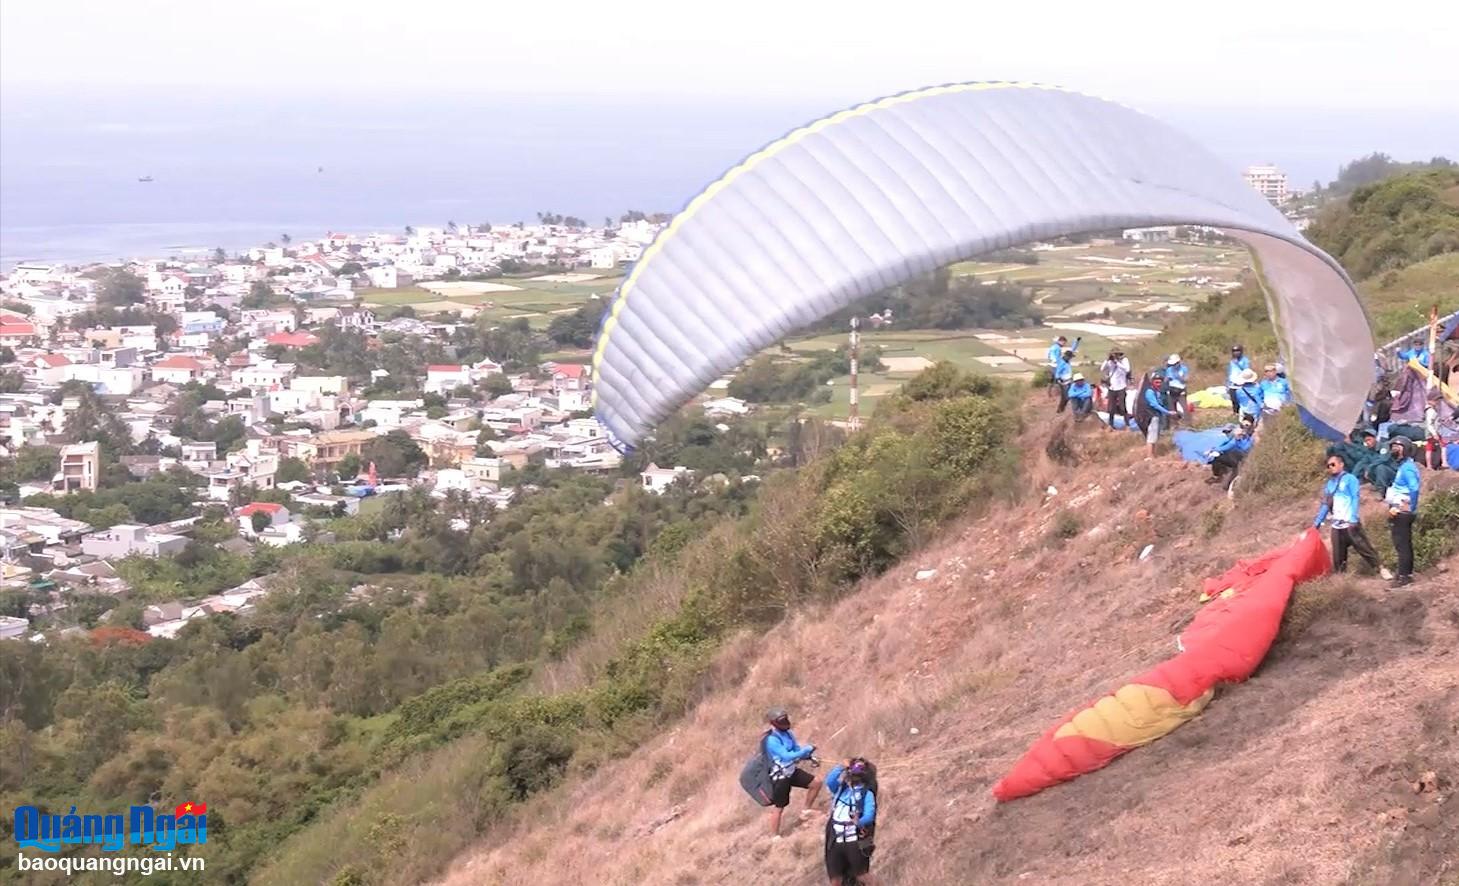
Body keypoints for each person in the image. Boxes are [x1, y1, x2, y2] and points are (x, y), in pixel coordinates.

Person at [1314, 454, 1392, 578]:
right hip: (1337, 525)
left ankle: (1381, 569)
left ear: (1341, 464)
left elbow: (1355, 497)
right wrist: (1317, 522)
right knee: (1338, 556)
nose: (1331, 467)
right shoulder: (1329, 484)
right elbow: (1326, 504)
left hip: (1349, 522)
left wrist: (1353, 518)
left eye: (1333, 464)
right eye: (1328, 466)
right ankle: (1341, 579)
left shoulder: (1350, 479)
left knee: (1364, 548)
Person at [763, 707, 822, 836]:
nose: (785, 722)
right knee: (779, 808)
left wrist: (809, 756)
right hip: (780, 776)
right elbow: (786, 756)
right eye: (781, 720)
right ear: (774, 723)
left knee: (816, 783)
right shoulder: (771, 740)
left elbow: (795, 750)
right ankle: (774, 836)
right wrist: (806, 749)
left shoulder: (788, 734)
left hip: (791, 770)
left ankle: (806, 811)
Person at [823, 758, 878, 886]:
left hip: (854, 840)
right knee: (835, 879)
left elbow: (870, 814)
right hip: (835, 839)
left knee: (862, 875)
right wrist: (841, 766)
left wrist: (859, 822)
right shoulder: (841, 789)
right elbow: (830, 781)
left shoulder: (867, 793)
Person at [1384, 437, 1421, 587]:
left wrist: (1411, 507)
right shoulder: (1403, 467)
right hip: (1397, 510)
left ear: (1405, 449)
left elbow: (1414, 488)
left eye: (1397, 447)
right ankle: (1403, 573)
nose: (1393, 449)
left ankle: (1405, 577)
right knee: (1400, 544)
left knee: (1402, 544)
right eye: (1392, 446)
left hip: (1402, 511)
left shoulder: (1408, 468)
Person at [1203, 416, 1255, 490]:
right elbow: (1228, 444)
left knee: (1221, 457)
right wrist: (1215, 449)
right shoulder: (1237, 434)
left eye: (1247, 425)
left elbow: (1234, 445)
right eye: (1243, 425)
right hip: (1235, 457)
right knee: (1218, 457)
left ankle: (1220, 477)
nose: (1244, 427)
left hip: (1241, 458)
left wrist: (1215, 450)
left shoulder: (1251, 436)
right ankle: (1219, 476)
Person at [1136, 372, 1175, 459]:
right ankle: (1149, 456)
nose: (1159, 384)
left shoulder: (1157, 392)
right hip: (1151, 416)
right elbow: (1154, 404)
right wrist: (1167, 412)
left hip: (1156, 416)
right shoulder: (1150, 392)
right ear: (1152, 382)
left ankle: (1153, 454)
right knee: (1151, 437)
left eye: (1160, 382)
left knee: (1155, 436)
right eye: (1156, 382)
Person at [1100, 349, 1132, 431]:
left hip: (1121, 386)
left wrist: (1117, 362)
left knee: (1122, 407)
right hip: (1112, 387)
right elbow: (1102, 369)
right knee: (1111, 407)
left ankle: (1127, 425)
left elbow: (1127, 369)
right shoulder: (1110, 362)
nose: (1114, 356)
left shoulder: (1124, 360)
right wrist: (1107, 360)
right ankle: (1111, 425)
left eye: (1116, 354)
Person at [1226, 345, 1252, 416]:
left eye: (1237, 351)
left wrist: (1237, 363)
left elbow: (1247, 371)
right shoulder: (1231, 361)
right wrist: (1227, 384)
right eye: (1234, 351)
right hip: (1232, 383)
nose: (1236, 353)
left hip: (1241, 383)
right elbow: (1229, 372)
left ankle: (1244, 413)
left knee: (1242, 399)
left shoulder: (1245, 360)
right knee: (1234, 399)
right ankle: (1235, 413)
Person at [1163, 354, 1189, 421]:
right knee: (1172, 408)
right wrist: (1167, 379)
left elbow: (1185, 380)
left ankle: (1187, 423)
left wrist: (1178, 377)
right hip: (1172, 390)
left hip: (1181, 391)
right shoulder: (1169, 370)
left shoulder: (1184, 369)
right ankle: (1174, 424)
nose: (1174, 366)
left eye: (1175, 364)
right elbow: (1166, 380)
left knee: (1184, 408)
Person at [1053, 348, 1076, 413]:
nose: (1070, 358)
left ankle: (1061, 409)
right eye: (1070, 357)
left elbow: (1073, 349)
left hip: (1069, 381)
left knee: (1066, 397)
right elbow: (1057, 372)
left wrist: (1077, 341)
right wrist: (1058, 379)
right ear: (1066, 356)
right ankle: (1060, 410)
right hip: (1063, 382)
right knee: (1066, 397)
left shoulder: (1067, 362)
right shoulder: (1062, 363)